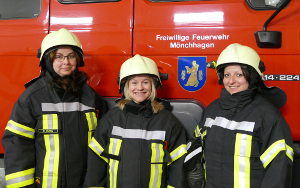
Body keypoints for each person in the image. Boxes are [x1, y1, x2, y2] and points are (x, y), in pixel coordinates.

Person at [2, 28, 107, 188]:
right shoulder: (33, 97)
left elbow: (105, 137)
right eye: (58, 56)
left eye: (71, 56)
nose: (66, 62)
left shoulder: (90, 96)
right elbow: (17, 143)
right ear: (47, 61)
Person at [185, 43, 294, 187]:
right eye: (227, 75)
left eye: (239, 74)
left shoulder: (267, 115)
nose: (231, 81)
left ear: (252, 77)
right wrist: (192, 167)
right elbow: (196, 142)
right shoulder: (213, 109)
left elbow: (279, 169)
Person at [84, 54, 188, 188]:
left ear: (153, 86)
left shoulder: (167, 121)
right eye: (134, 82)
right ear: (126, 86)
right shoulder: (112, 119)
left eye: (145, 82)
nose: (140, 88)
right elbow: (95, 164)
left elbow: (178, 168)